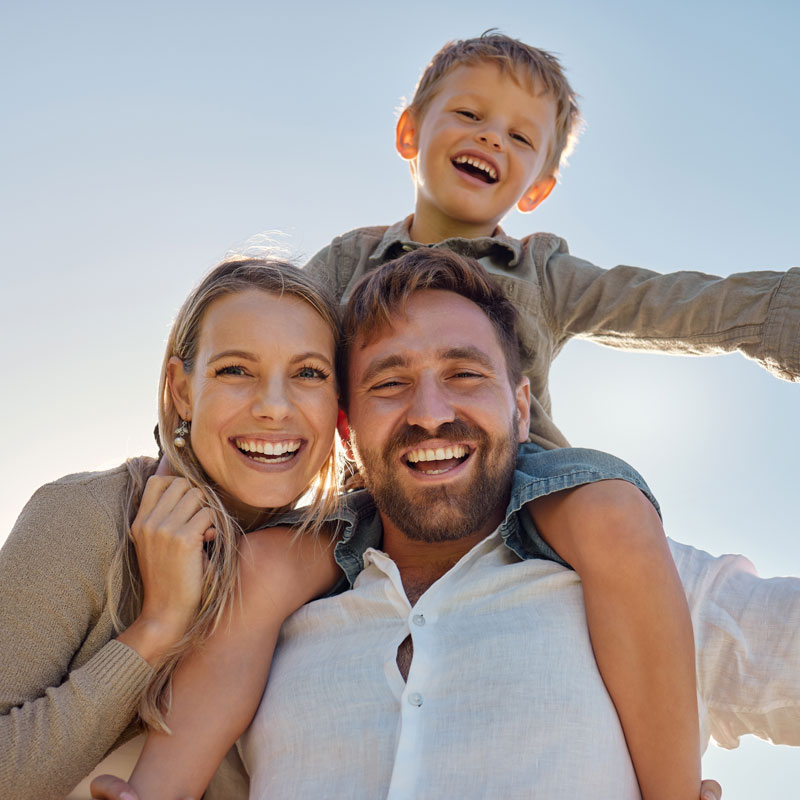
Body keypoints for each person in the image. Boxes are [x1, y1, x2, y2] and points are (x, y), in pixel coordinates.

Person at [92, 251, 794, 800]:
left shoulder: (640, 581)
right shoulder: (267, 594)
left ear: (523, 410)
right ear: (347, 427)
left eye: (465, 374)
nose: (429, 412)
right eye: (389, 384)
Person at [300, 30, 793, 798]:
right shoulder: (345, 263)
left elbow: (671, 303)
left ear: (535, 185)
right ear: (410, 132)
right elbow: (263, 335)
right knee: (256, 572)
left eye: (519, 136)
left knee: (613, 514)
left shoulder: (542, 271)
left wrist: (783, 319)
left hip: (528, 484)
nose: (489, 137)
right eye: (468, 113)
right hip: (377, 493)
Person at [0, 256, 345, 799]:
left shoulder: (345, 557)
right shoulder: (84, 517)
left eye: (309, 374)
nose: (275, 407)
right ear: (182, 390)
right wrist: (157, 629)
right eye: (235, 370)